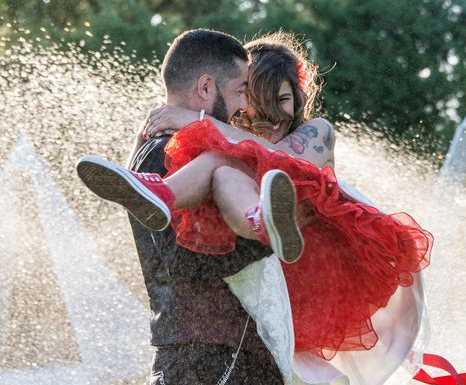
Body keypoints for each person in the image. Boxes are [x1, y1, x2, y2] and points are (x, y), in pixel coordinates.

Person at [79, 31, 433, 362]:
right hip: (256, 297)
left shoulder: (315, 132)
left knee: (224, 159)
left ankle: (248, 215)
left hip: (320, 268)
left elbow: (285, 163)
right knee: (223, 166)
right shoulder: (221, 145)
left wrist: (196, 119)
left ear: (298, 97)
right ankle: (242, 214)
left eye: (283, 99)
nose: (275, 114)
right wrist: (153, 135)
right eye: (255, 99)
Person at [79, 29, 286, 385]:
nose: (244, 107)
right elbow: (185, 261)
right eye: (239, 91)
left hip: (206, 352)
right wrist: (269, 237)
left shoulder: (161, 148)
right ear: (206, 88)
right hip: (211, 355)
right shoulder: (171, 151)